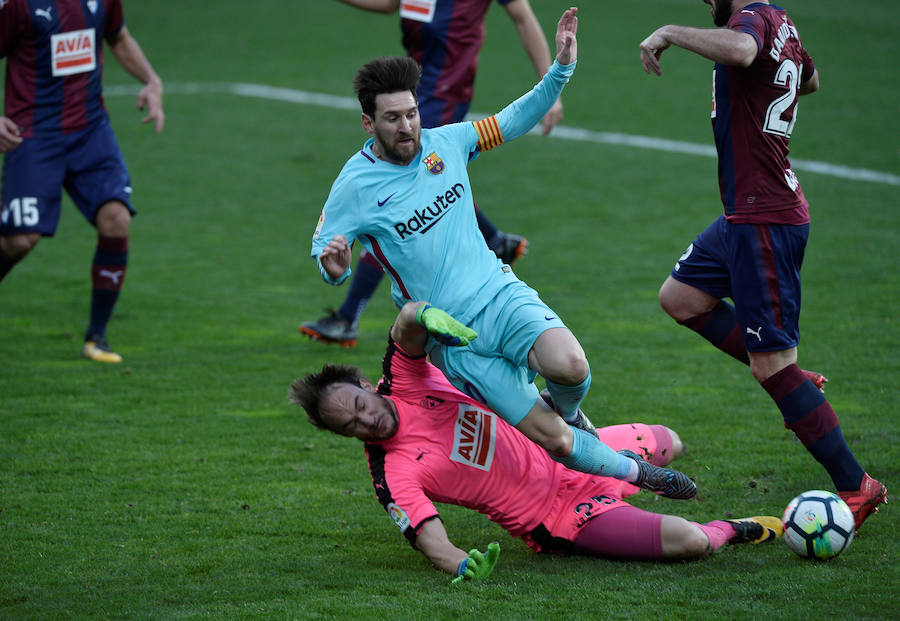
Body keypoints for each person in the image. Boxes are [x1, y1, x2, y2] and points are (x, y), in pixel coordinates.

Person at [308, 8, 697, 493]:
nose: (407, 126)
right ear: (369, 123)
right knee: (553, 443)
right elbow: (328, 254)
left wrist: (561, 68)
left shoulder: (448, 143)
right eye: (392, 118)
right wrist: (335, 269)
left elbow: (512, 120)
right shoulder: (354, 185)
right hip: (455, 339)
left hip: (498, 293)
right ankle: (648, 476)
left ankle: (570, 412)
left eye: (411, 113)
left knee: (571, 367)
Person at [289, 301, 782, 582]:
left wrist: (426, 315)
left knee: (671, 441)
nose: (365, 422)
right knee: (691, 542)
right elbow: (427, 537)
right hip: (560, 517)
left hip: (566, 448)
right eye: (349, 427)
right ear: (344, 437)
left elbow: (406, 325)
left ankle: (614, 459)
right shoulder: (391, 474)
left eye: (358, 406)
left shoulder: (403, 379)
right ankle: (734, 528)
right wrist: (462, 563)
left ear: (363, 387)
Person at [638, 0, 886, 529]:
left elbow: (743, 49)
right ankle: (793, 377)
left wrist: (668, 33)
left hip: (765, 222)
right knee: (679, 298)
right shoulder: (783, 22)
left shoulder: (750, 21)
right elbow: (810, 81)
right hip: (742, 217)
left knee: (770, 366)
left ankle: (856, 484)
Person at [301, 0, 563, 347]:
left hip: (441, 95)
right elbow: (389, 4)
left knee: (397, 203)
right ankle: (496, 240)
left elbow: (522, 16)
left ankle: (349, 315)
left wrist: (552, 81)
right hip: (409, 90)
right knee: (408, 198)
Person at [0, 0, 164, 363]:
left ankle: (96, 339)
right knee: (19, 241)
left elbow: (118, 36)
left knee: (116, 218)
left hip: (91, 131)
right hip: (34, 135)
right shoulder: (18, 6)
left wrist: (151, 80)